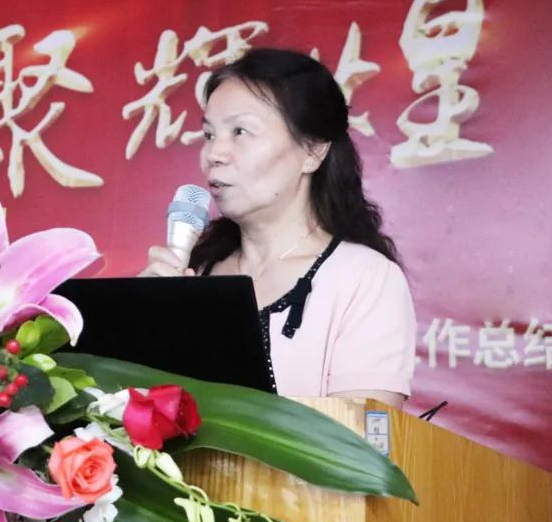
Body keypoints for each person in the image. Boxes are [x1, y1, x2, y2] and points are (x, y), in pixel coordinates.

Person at [140, 48, 415, 407]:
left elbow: (362, 435)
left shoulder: (365, 278)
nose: (214, 154)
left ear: (312, 151)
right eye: (209, 135)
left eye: (240, 131)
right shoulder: (195, 273)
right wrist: (142, 317)